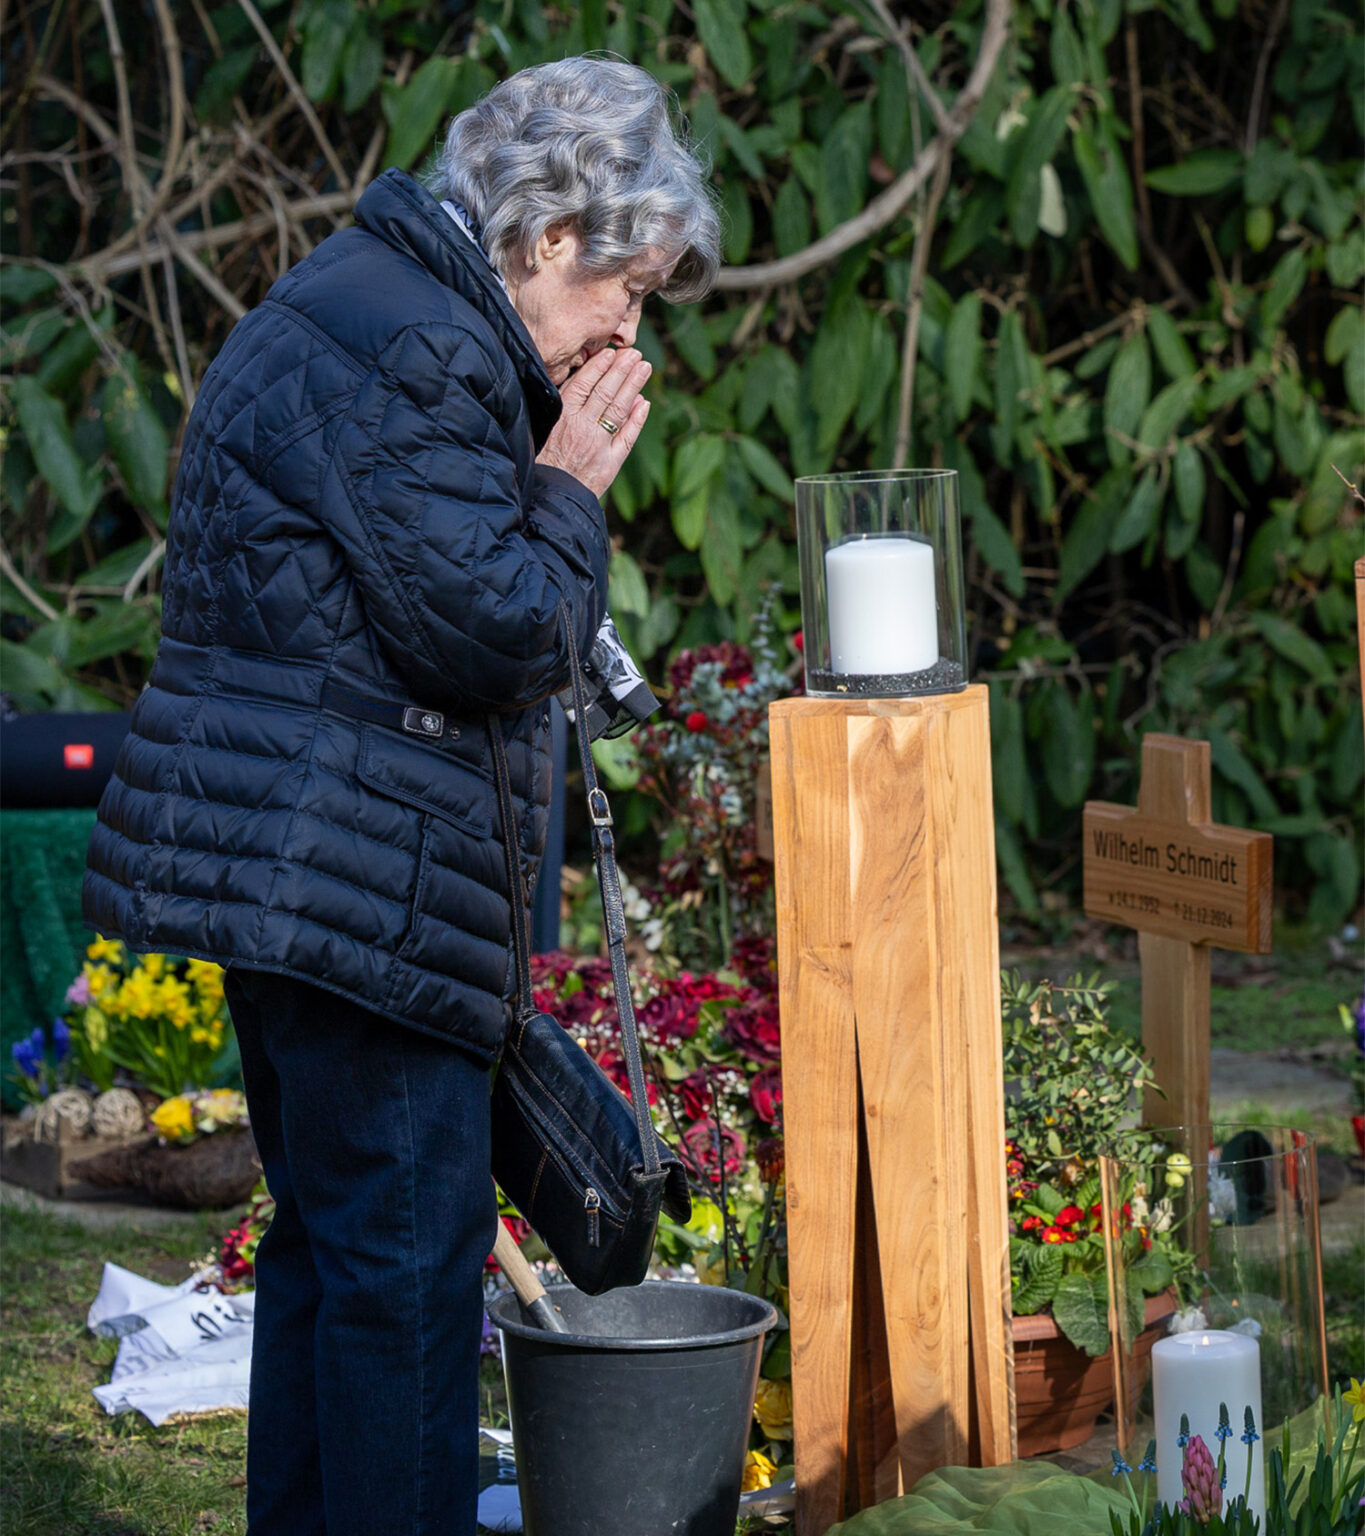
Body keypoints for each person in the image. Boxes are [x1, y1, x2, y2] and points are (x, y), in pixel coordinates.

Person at [83, 56, 720, 1535]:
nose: (629, 329)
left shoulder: (357, 295)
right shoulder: (428, 345)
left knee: (332, 1253)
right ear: (548, 236)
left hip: (294, 874)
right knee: (410, 1281)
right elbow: (497, 629)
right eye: (626, 286)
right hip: (356, 885)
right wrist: (569, 486)